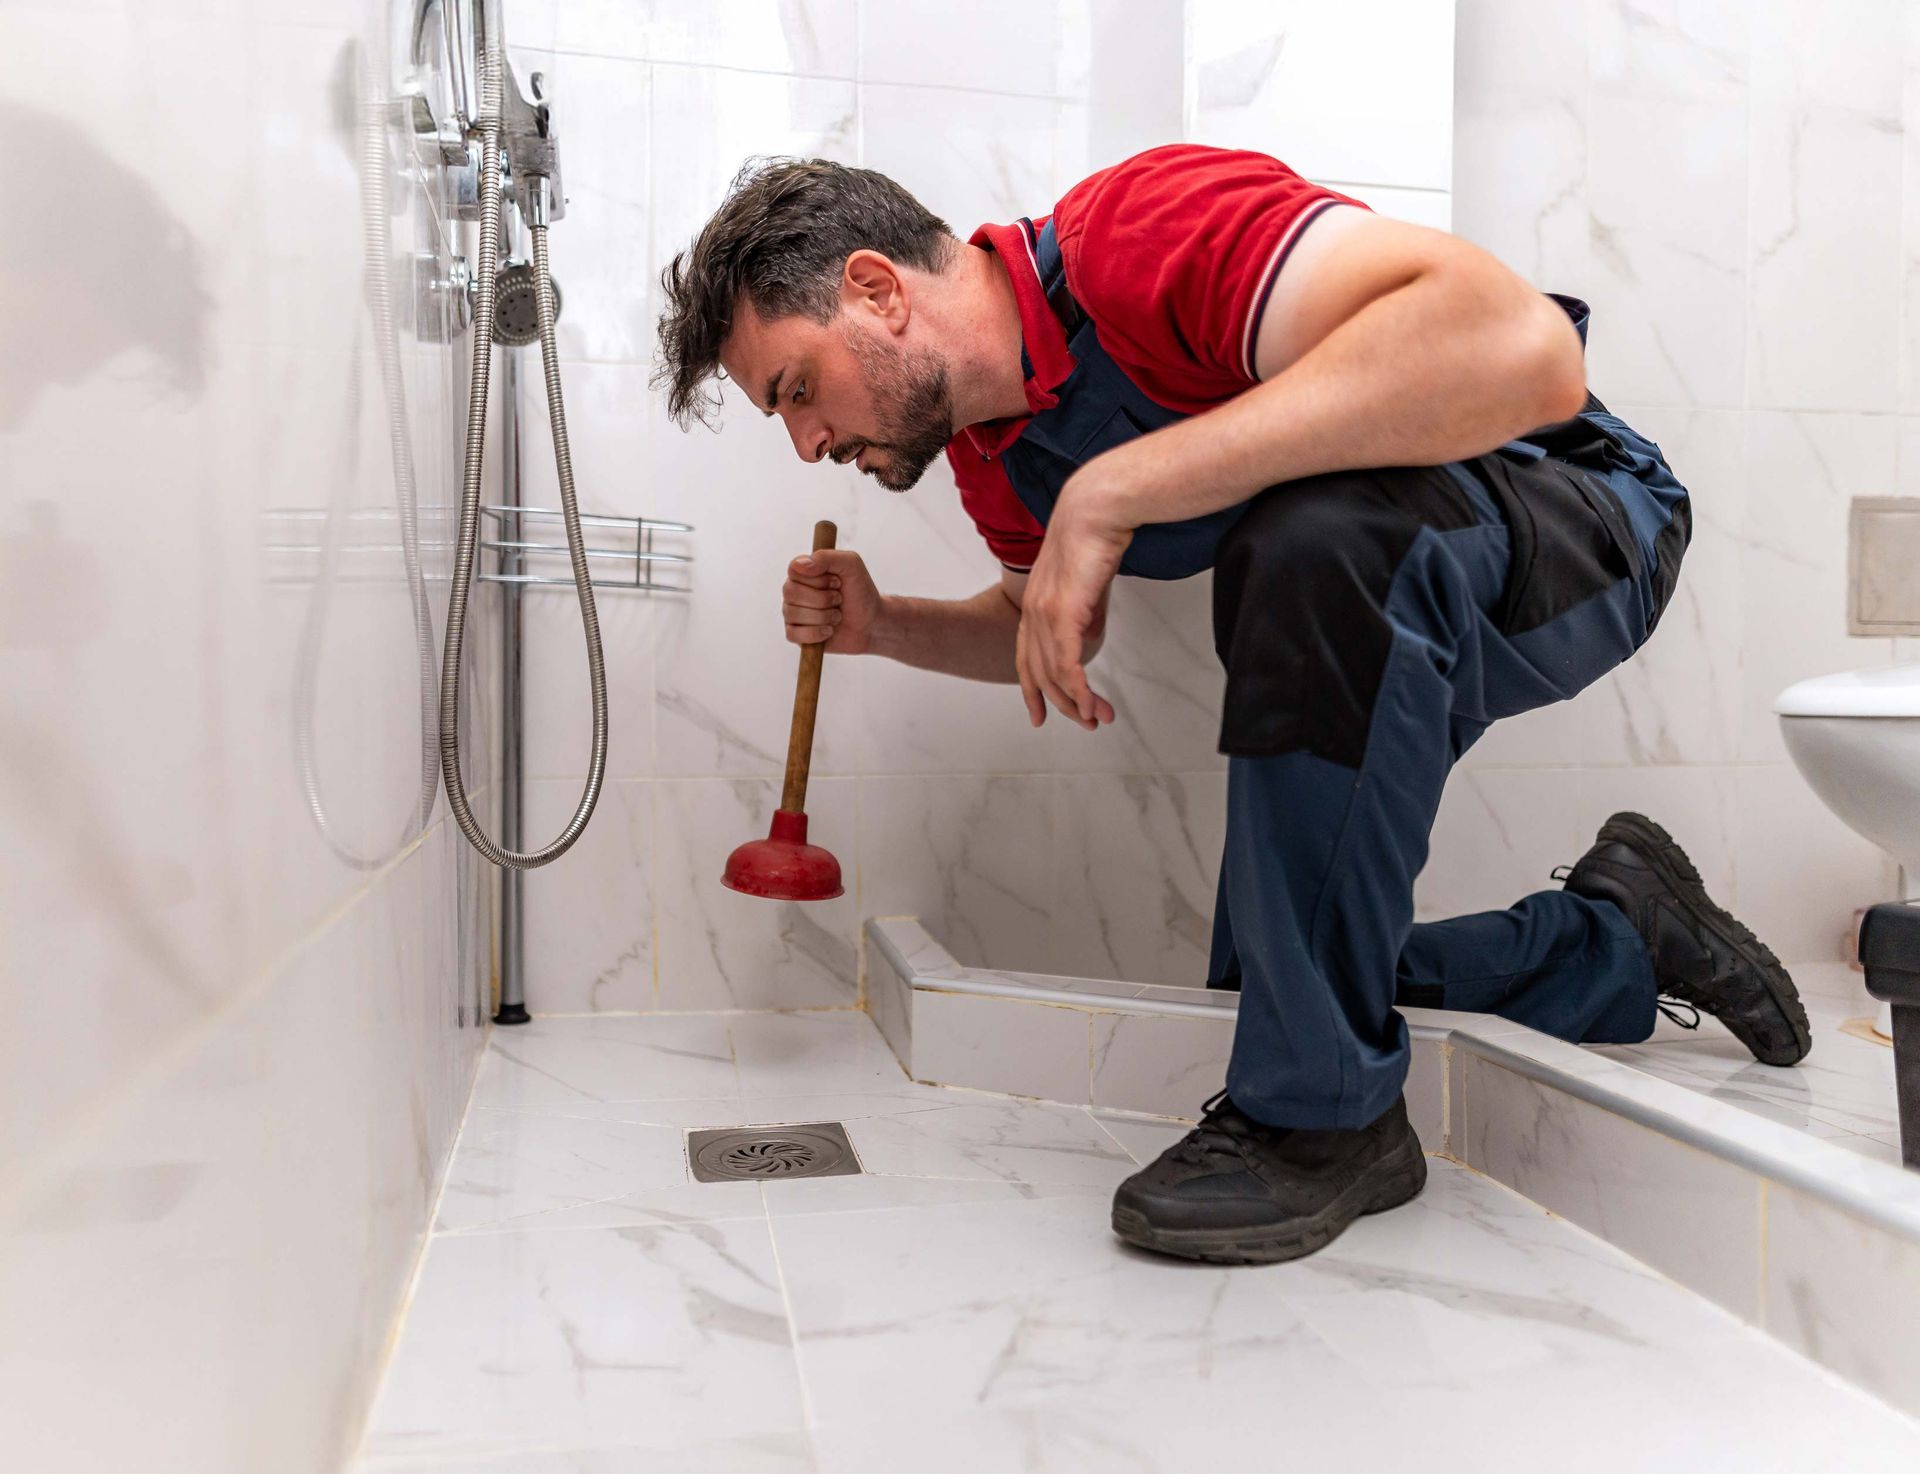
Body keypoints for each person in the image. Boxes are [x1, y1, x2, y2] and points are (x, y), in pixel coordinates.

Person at [653, 146, 1811, 1266]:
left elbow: (1524, 351)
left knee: (1305, 536)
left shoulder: (1136, 235)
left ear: (874, 289)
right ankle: (1615, 936)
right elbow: (1044, 620)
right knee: (1277, 996)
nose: (808, 443)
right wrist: (883, 625)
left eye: (797, 389)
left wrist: (1114, 489)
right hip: (1409, 579)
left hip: (1584, 518)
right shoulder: (994, 455)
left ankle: (1327, 1124)